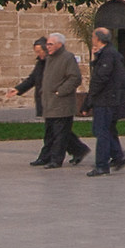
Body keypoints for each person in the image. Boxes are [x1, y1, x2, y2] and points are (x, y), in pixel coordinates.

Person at [83, 25, 125, 175]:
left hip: (105, 100)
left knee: (101, 131)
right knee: (108, 130)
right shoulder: (107, 54)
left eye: (93, 37)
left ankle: (102, 165)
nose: (92, 40)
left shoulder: (108, 55)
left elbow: (100, 78)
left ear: (97, 39)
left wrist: (89, 100)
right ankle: (118, 156)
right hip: (110, 99)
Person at [39, 32, 88, 168]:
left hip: (62, 103)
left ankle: (56, 159)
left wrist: (61, 91)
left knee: (60, 134)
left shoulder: (67, 58)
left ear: (59, 45)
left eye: (50, 44)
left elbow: (75, 78)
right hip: (50, 103)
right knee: (52, 132)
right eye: (47, 44)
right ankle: (78, 150)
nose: (47, 47)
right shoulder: (49, 59)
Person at [18, 37, 54, 165]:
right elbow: (32, 79)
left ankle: (46, 156)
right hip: (43, 100)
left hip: (53, 101)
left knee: (53, 130)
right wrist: (18, 90)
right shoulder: (40, 63)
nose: (38, 54)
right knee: (57, 130)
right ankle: (79, 150)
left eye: (39, 51)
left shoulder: (52, 62)